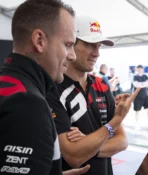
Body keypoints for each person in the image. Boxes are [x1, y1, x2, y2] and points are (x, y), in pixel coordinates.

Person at [0, 0, 90, 174]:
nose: (72, 56)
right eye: (68, 45)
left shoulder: (10, 84)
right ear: (39, 40)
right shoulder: (27, 104)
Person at [46, 16, 139, 175]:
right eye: (89, 44)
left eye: (99, 46)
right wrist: (114, 123)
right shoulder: (52, 89)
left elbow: (122, 141)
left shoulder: (101, 85)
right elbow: (73, 156)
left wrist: (87, 144)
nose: (96, 53)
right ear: (70, 44)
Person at [133, 65, 148, 131]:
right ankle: (137, 124)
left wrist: (141, 84)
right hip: (138, 96)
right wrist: (144, 84)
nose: (141, 70)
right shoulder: (135, 76)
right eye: (139, 68)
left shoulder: (145, 76)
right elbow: (136, 85)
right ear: (137, 69)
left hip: (145, 95)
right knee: (137, 111)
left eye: (142, 68)